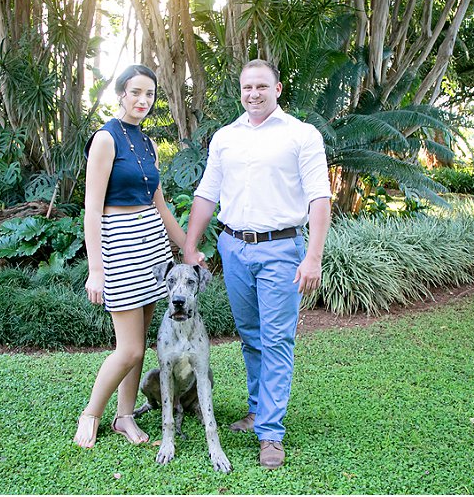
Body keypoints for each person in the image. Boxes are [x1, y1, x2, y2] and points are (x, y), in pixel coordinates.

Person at [183, 59, 332, 469]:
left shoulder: (302, 135)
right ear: (241, 90)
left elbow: (320, 197)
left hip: (281, 250)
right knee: (250, 336)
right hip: (233, 247)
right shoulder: (226, 137)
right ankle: (257, 410)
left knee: (277, 339)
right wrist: (190, 247)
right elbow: (206, 194)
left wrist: (313, 257)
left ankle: (271, 433)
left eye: (262, 86)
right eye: (247, 87)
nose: (254, 94)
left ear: (278, 88)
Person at [74, 64, 186, 449]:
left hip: (151, 242)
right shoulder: (105, 139)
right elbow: (91, 208)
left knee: (141, 338)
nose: (143, 101)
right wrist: (95, 269)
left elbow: (161, 204)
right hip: (118, 242)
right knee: (130, 347)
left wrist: (186, 248)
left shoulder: (148, 144)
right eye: (136, 92)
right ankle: (91, 412)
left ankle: (125, 417)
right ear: (121, 93)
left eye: (150, 95)